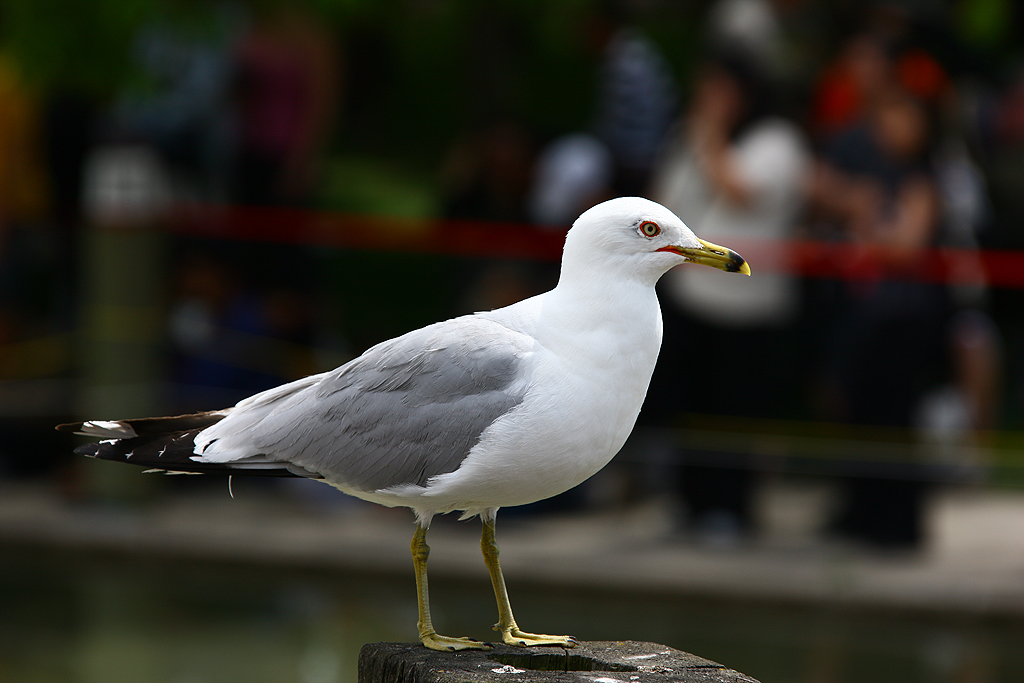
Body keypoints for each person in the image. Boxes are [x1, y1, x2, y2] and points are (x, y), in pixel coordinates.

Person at [649, 49, 811, 543]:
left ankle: (731, 509)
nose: (710, 101)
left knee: (735, 411)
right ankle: (691, 502)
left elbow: (741, 188)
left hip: (749, 308)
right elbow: (665, 204)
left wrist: (711, 134)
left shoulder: (779, 142)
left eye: (721, 90)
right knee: (688, 404)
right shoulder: (693, 137)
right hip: (690, 298)